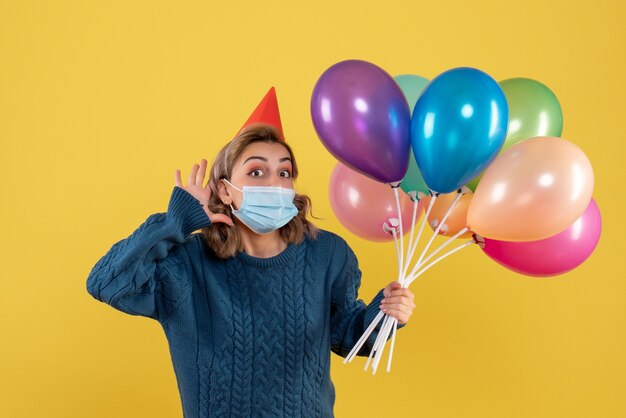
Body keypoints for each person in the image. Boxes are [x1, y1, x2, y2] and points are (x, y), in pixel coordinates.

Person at [86, 88, 415, 418]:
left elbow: (348, 335)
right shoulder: (187, 264)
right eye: (256, 172)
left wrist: (385, 313)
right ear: (226, 190)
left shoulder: (327, 254)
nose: (273, 182)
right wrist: (176, 222)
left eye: (284, 172)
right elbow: (107, 284)